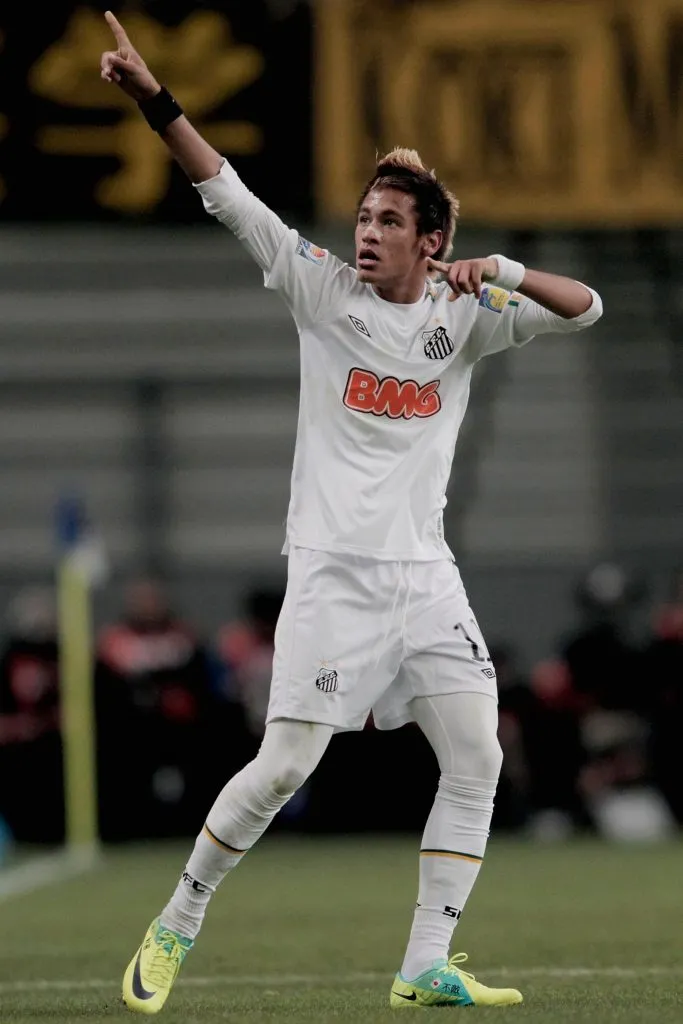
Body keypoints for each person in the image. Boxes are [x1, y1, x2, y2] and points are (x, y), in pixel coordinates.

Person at [99, 10, 603, 1013]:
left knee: (478, 756)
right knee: (282, 766)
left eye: (387, 222)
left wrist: (502, 271)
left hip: (424, 578)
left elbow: (584, 306)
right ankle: (178, 920)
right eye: (364, 217)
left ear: (431, 241)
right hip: (332, 572)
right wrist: (155, 101)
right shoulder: (320, 290)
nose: (365, 232)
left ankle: (422, 964)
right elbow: (224, 191)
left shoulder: (466, 316)